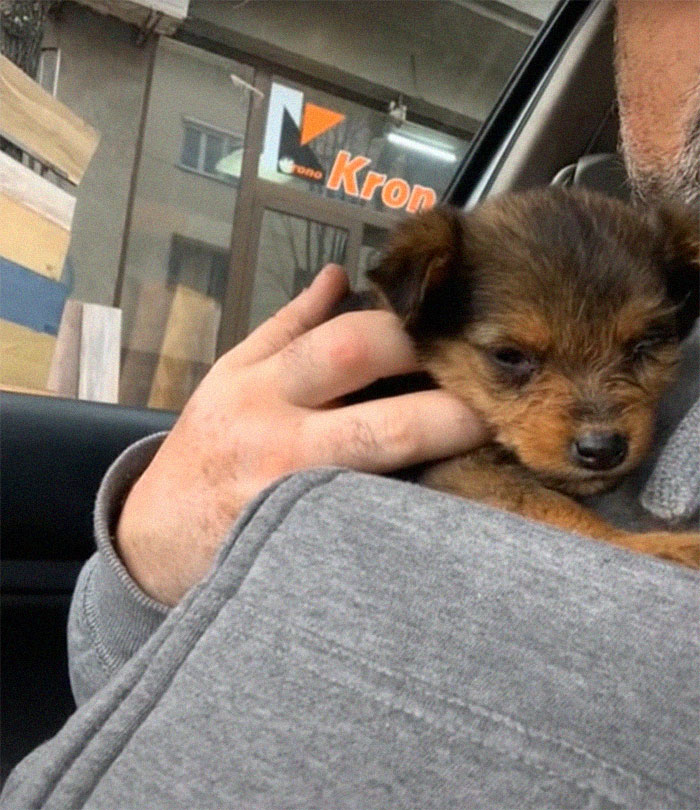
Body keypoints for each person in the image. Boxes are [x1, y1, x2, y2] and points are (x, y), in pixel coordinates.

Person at [2, 1, 698, 807]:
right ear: (419, 315)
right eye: (514, 360)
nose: (598, 424)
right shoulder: (391, 384)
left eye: (641, 351)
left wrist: (618, 555)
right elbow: (117, 689)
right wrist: (153, 559)